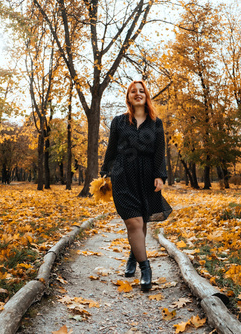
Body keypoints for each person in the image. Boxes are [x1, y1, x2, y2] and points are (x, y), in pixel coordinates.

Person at [100, 80, 172, 291]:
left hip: (148, 176)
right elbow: (111, 150)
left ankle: (133, 255)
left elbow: (160, 151)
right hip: (123, 176)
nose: (138, 94)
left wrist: (160, 176)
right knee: (133, 223)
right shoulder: (119, 122)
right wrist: (105, 174)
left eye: (141, 91)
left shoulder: (155, 123)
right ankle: (145, 268)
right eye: (134, 91)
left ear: (146, 96)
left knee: (142, 221)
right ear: (129, 97)